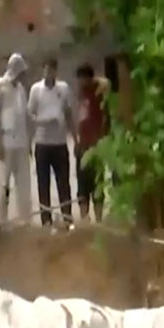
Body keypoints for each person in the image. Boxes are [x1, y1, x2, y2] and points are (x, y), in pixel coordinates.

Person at [28, 58, 75, 225]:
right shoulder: (36, 90)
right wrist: (43, 120)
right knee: (43, 183)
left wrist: (74, 137)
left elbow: (69, 113)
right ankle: (46, 219)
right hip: (42, 142)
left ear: (56, 71)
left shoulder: (63, 89)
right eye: (46, 70)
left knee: (63, 182)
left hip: (60, 142)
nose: (48, 73)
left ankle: (67, 217)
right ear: (43, 70)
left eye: (51, 70)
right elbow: (30, 114)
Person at [0, 53, 33, 223]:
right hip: (6, 141)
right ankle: (1, 221)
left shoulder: (21, 89)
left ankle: (25, 219)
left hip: (21, 141)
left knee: (24, 184)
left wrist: (29, 142)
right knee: (3, 183)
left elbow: (25, 116)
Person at [74, 63, 111, 221]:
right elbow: (79, 119)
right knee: (82, 185)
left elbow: (107, 83)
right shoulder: (80, 94)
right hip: (83, 145)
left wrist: (102, 140)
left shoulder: (99, 92)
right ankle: (84, 219)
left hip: (96, 146)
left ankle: (99, 219)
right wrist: (76, 141)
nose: (81, 82)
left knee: (97, 184)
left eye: (83, 78)